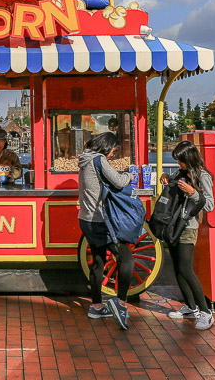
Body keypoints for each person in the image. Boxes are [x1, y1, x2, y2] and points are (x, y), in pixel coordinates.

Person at [77, 131, 135, 331]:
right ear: (108, 147)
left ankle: (96, 306)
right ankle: (120, 303)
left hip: (85, 219)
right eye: (113, 150)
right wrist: (130, 175)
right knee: (126, 258)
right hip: (101, 220)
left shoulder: (85, 159)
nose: (113, 154)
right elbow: (118, 182)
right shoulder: (99, 159)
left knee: (98, 262)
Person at [160, 140, 215, 331]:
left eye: (181, 161)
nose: (178, 164)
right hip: (173, 225)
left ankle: (206, 312)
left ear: (189, 159)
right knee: (177, 268)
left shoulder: (202, 176)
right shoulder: (180, 173)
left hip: (188, 225)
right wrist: (167, 178)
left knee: (186, 269)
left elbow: (209, 204)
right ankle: (191, 308)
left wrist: (193, 192)